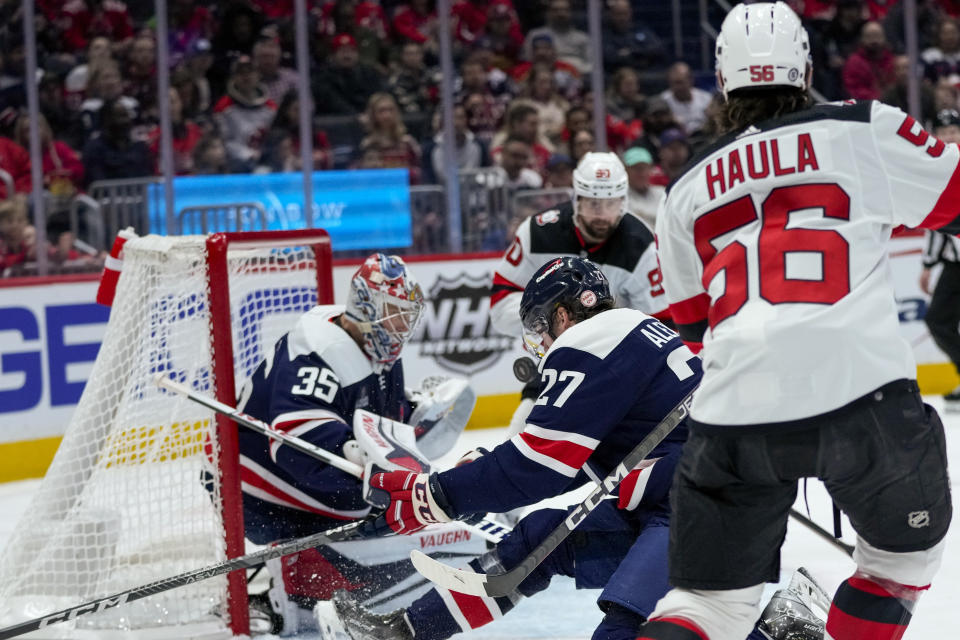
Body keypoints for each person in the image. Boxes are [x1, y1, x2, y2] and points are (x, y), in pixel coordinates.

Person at [643, 4, 953, 640]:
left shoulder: (685, 188)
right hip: (861, 394)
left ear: (723, 81)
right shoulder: (865, 126)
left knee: (706, 604)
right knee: (898, 564)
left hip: (732, 412)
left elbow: (694, 326)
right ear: (807, 68)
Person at [320, 258, 827, 640]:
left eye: (540, 325)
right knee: (538, 542)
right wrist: (482, 473)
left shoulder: (590, 341)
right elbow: (565, 459)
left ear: (563, 314)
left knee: (628, 626)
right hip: (693, 498)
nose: (539, 340)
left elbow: (535, 469)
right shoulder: (630, 331)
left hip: (699, 508)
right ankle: (403, 632)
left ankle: (773, 631)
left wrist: (436, 495)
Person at [237, 253, 481, 635]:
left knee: (394, 506)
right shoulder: (320, 348)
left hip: (288, 479)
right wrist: (361, 459)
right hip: (248, 486)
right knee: (382, 510)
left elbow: (380, 421)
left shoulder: (377, 347)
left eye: (408, 315)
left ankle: (308, 585)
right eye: (394, 313)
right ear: (365, 306)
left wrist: (413, 424)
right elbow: (294, 441)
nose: (403, 325)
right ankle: (286, 591)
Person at [490, 152, 670, 437]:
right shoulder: (538, 233)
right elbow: (500, 306)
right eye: (593, 203)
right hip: (551, 367)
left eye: (610, 204)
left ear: (623, 201)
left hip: (613, 372)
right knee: (519, 441)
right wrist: (550, 321)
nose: (601, 214)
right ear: (577, 199)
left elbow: (660, 326)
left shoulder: (641, 245)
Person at [920, 109, 960, 412]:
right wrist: (927, 264)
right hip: (953, 263)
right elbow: (934, 221)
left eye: (954, 131)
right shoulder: (933, 168)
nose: (949, 136)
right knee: (938, 320)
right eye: (944, 132)